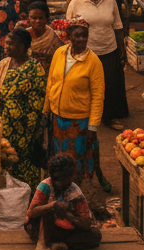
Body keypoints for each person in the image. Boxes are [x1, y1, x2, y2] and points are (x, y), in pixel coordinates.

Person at [44, 17, 104, 183]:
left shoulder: (93, 62)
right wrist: (46, 109)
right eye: (77, 35)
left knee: (76, 160)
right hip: (58, 118)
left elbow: (98, 97)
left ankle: (75, 193)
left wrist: (92, 127)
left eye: (85, 35)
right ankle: (59, 189)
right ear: (68, 36)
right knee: (59, 157)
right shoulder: (59, 53)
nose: (82, 39)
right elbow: (51, 82)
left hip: (79, 122)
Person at [0, 28, 47, 189]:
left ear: (23, 46)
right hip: (5, 126)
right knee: (6, 162)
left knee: (25, 166)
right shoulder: (4, 64)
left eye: (11, 44)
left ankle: (29, 200)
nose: (6, 46)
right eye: (6, 43)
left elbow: (37, 104)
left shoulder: (35, 68)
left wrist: (31, 134)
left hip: (26, 130)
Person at [66, 0, 127, 129]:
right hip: (86, 52)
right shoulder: (76, 3)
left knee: (109, 85)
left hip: (109, 49)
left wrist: (122, 50)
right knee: (85, 85)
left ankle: (109, 117)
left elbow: (118, 26)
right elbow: (69, 29)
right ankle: (86, 117)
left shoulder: (110, 1)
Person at [26, 153, 101, 250]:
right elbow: (31, 213)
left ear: (71, 177)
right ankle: (42, 246)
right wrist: (53, 205)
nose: (59, 184)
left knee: (95, 235)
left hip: (63, 232)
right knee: (48, 212)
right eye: (57, 180)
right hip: (41, 231)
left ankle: (59, 247)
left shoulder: (75, 191)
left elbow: (86, 224)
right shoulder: (45, 186)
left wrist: (67, 214)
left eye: (63, 180)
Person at [24, 0, 64, 68]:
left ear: (46, 19)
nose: (37, 21)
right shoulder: (23, 35)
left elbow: (60, 57)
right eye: (34, 18)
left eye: (41, 18)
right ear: (28, 19)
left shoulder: (53, 36)